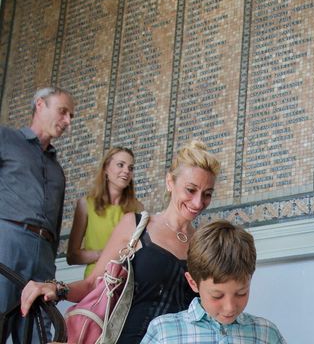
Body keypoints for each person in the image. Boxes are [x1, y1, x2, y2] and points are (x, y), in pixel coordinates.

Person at [21, 139, 220, 344]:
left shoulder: (203, 244)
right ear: (170, 182)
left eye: (207, 194)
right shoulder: (136, 225)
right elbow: (92, 284)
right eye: (190, 190)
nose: (198, 202)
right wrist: (56, 289)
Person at [0, 86, 75, 342]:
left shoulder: (58, 171)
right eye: (63, 112)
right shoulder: (5, 139)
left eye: (70, 116)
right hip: (7, 242)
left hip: (43, 255)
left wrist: (50, 270)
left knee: (38, 333)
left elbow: (54, 223)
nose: (67, 121)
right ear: (40, 105)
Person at [140, 219, 287, 343]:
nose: (229, 307)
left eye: (241, 293)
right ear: (193, 283)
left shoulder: (266, 334)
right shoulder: (163, 332)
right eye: (217, 296)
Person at [67, 146, 143, 277]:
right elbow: (72, 256)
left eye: (130, 168)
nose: (126, 171)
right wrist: (104, 255)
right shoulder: (86, 204)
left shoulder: (138, 208)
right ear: (106, 168)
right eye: (121, 165)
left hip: (126, 282)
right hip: (95, 281)